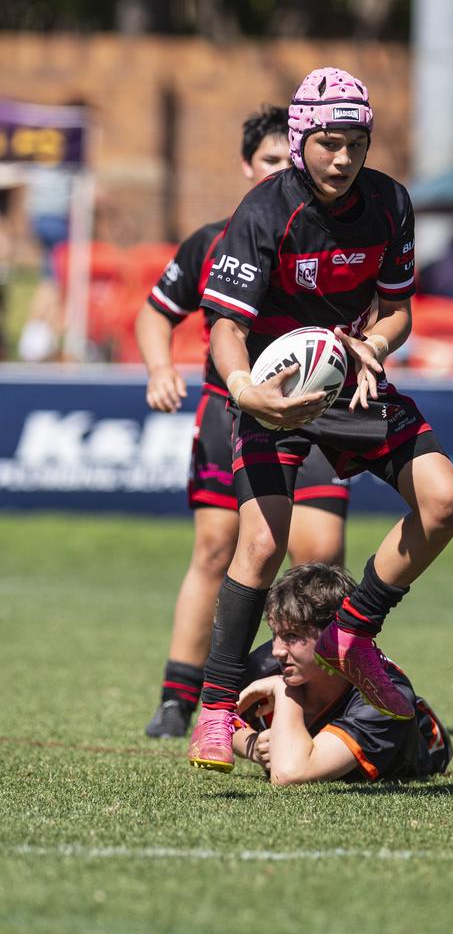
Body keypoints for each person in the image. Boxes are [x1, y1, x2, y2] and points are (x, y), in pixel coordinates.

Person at [188, 66, 453, 773]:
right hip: (274, 394)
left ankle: (353, 633)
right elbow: (223, 325)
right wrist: (245, 390)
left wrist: (372, 345)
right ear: (302, 137)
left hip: (355, 387)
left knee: (446, 502)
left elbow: (400, 309)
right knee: (260, 544)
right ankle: (215, 712)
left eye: (356, 144)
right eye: (329, 143)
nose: (343, 159)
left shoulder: (390, 204)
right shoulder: (263, 211)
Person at [136, 105, 351, 739]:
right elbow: (156, 313)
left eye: (291, 159)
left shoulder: (331, 239)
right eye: (270, 160)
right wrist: (157, 368)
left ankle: (303, 689)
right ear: (246, 166)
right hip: (229, 412)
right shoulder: (212, 240)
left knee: (319, 553)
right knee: (217, 549)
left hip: (316, 413)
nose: (283, 171)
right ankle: (182, 696)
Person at [233, 563, 453, 784]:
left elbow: (289, 774)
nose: (277, 650)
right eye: (275, 633)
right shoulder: (268, 665)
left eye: (292, 635)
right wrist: (253, 746)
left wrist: (283, 690)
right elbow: (215, 726)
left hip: (419, 754)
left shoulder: (382, 699)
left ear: (334, 633)